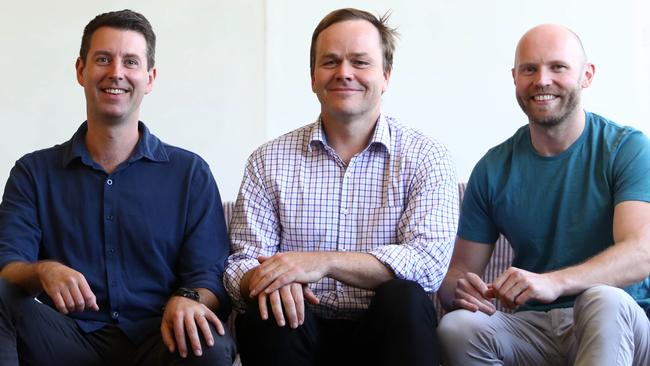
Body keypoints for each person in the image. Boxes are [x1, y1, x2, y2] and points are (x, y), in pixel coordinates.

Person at [223, 7, 458, 366]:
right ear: (313, 78)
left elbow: (427, 263)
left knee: (406, 297)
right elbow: (239, 262)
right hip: (298, 328)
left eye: (360, 62)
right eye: (330, 62)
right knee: (267, 300)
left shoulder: (427, 157)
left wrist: (325, 263)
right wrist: (268, 276)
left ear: (386, 75)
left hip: (386, 331)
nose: (344, 73)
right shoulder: (267, 160)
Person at [0, 9, 236, 366]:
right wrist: (42, 270)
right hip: (65, 340)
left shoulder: (190, 173)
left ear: (150, 77)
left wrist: (189, 298)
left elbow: (210, 274)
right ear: (81, 70)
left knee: (211, 343)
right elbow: (8, 263)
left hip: (160, 339)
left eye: (130, 62)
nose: (116, 73)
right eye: (103, 59)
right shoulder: (33, 172)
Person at [437, 24, 650, 365]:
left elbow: (641, 253)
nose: (542, 80)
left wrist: (554, 282)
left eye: (558, 67)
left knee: (603, 301)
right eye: (529, 69)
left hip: (618, 321)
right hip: (532, 326)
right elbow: (456, 275)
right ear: (515, 78)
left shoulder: (627, 148)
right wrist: (461, 291)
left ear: (587, 75)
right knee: (457, 327)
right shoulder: (493, 169)